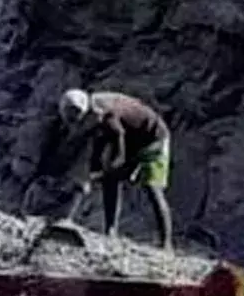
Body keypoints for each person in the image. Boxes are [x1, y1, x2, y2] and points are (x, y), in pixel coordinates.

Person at [47, 87, 173, 248]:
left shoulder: (107, 117)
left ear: (82, 112)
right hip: (131, 136)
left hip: (153, 138)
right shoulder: (92, 110)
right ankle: (110, 231)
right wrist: (93, 172)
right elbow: (97, 146)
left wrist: (101, 174)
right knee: (110, 180)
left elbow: (119, 155)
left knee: (152, 187)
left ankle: (166, 244)